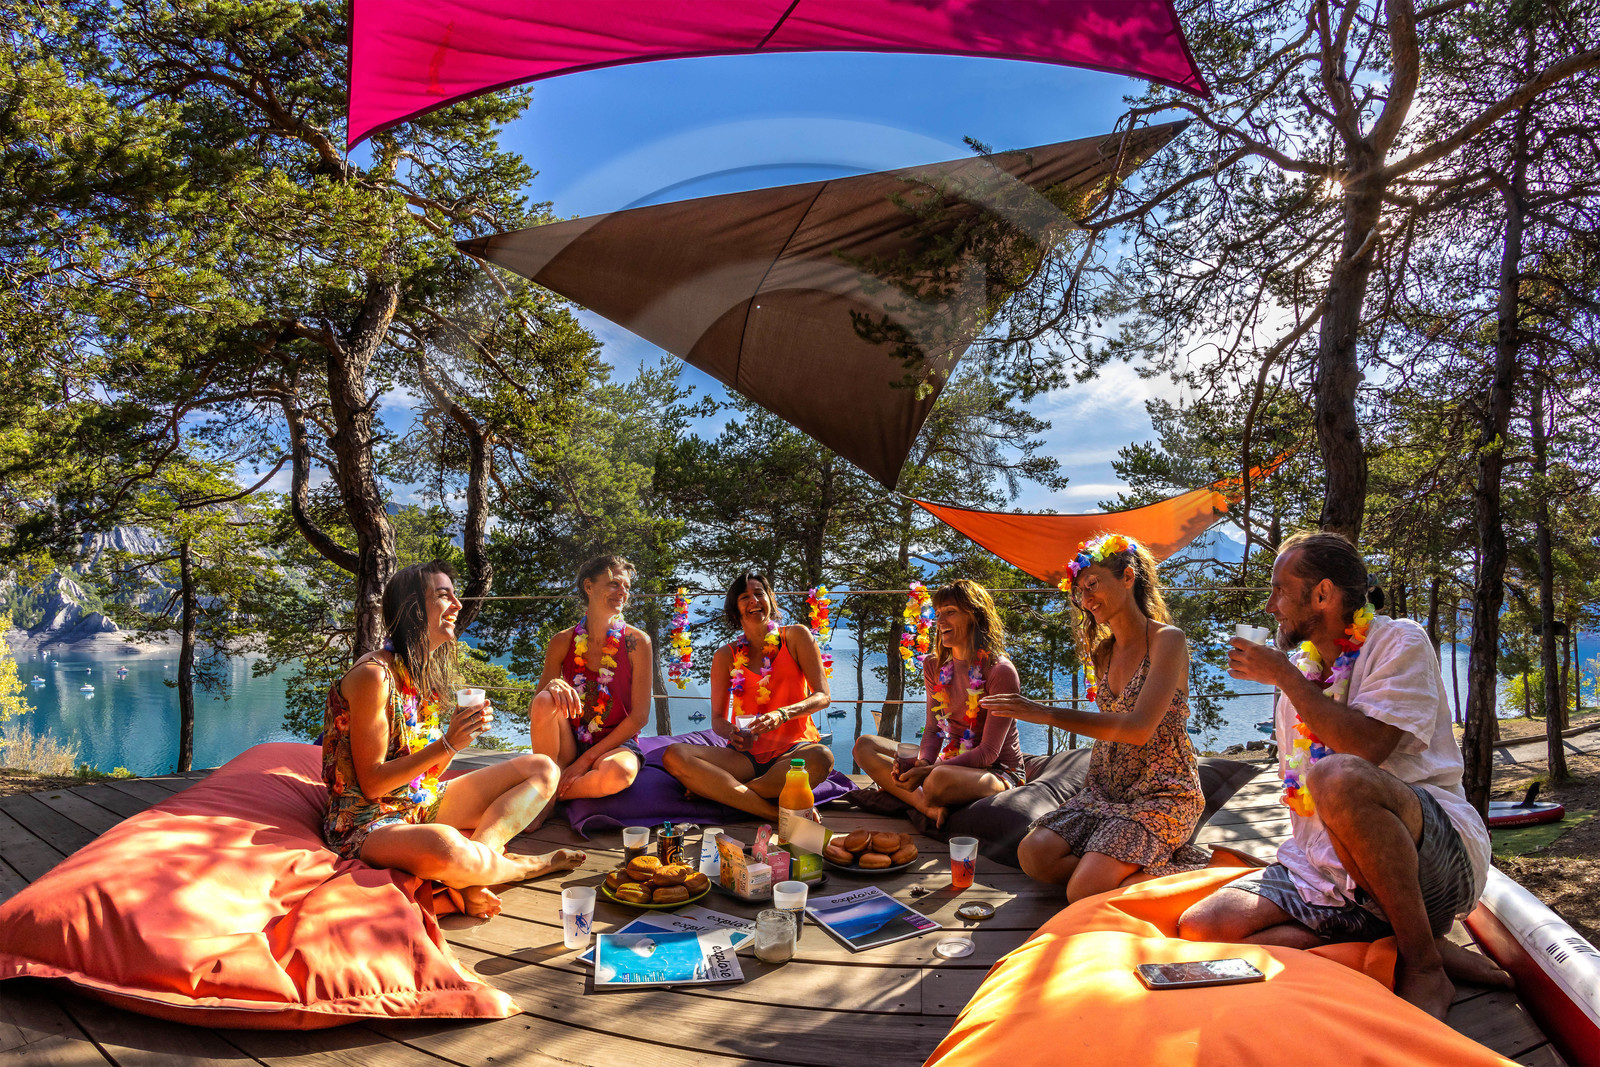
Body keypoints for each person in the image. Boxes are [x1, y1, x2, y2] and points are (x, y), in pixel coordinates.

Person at [1176, 531, 1504, 1019]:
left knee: (1337, 777)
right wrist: (1291, 678)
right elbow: (1302, 800)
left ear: (1323, 594)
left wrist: (1283, 676)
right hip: (1328, 871)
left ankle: (1423, 965)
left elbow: (1369, 747)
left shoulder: (1398, 641)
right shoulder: (1303, 677)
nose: (1271, 606)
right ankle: (1400, 942)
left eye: (1280, 590)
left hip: (1431, 861)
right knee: (1205, 927)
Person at [322, 560, 584, 918]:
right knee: (447, 848)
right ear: (414, 608)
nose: (458, 605)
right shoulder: (374, 676)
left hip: (419, 800)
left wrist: (457, 741)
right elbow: (371, 784)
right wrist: (446, 744)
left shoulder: (420, 672)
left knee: (543, 769)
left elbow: (427, 773)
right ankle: (525, 866)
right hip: (368, 820)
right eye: (444, 596)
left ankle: (478, 870)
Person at [981, 534, 1207, 901]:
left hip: (1162, 792)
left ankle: (1183, 876)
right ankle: (1133, 869)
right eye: (1079, 590)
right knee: (1033, 854)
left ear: (1128, 577)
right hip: (1105, 790)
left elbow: (1137, 728)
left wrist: (1044, 713)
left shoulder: (1169, 641)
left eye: (1093, 585)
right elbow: (1110, 726)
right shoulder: (1104, 653)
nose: (1085, 599)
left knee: (1081, 891)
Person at [660, 570, 833, 819]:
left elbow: (823, 696)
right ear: (735, 610)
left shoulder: (796, 636)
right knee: (674, 755)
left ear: (770, 599)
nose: (754, 600)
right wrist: (731, 732)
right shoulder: (725, 656)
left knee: (822, 757)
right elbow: (718, 720)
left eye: (759, 593)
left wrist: (783, 714)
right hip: (745, 757)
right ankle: (773, 812)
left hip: (794, 751)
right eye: (745, 597)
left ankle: (724, 792)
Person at [853, 579, 1025, 827]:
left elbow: (988, 752)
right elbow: (933, 729)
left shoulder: (999, 671)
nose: (940, 621)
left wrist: (927, 772)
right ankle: (925, 806)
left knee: (936, 781)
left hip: (997, 771)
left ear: (975, 616)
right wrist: (922, 763)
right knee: (864, 746)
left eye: (950, 612)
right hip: (950, 760)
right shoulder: (934, 665)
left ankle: (919, 796)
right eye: (939, 613)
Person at [533, 555, 651, 814]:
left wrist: (585, 761)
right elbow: (538, 705)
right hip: (570, 741)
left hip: (616, 745)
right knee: (544, 700)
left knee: (620, 773)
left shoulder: (637, 642)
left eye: (627, 587)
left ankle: (546, 796)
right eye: (614, 584)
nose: (622, 592)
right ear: (589, 586)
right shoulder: (562, 641)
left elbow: (640, 716)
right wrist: (552, 686)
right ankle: (549, 779)